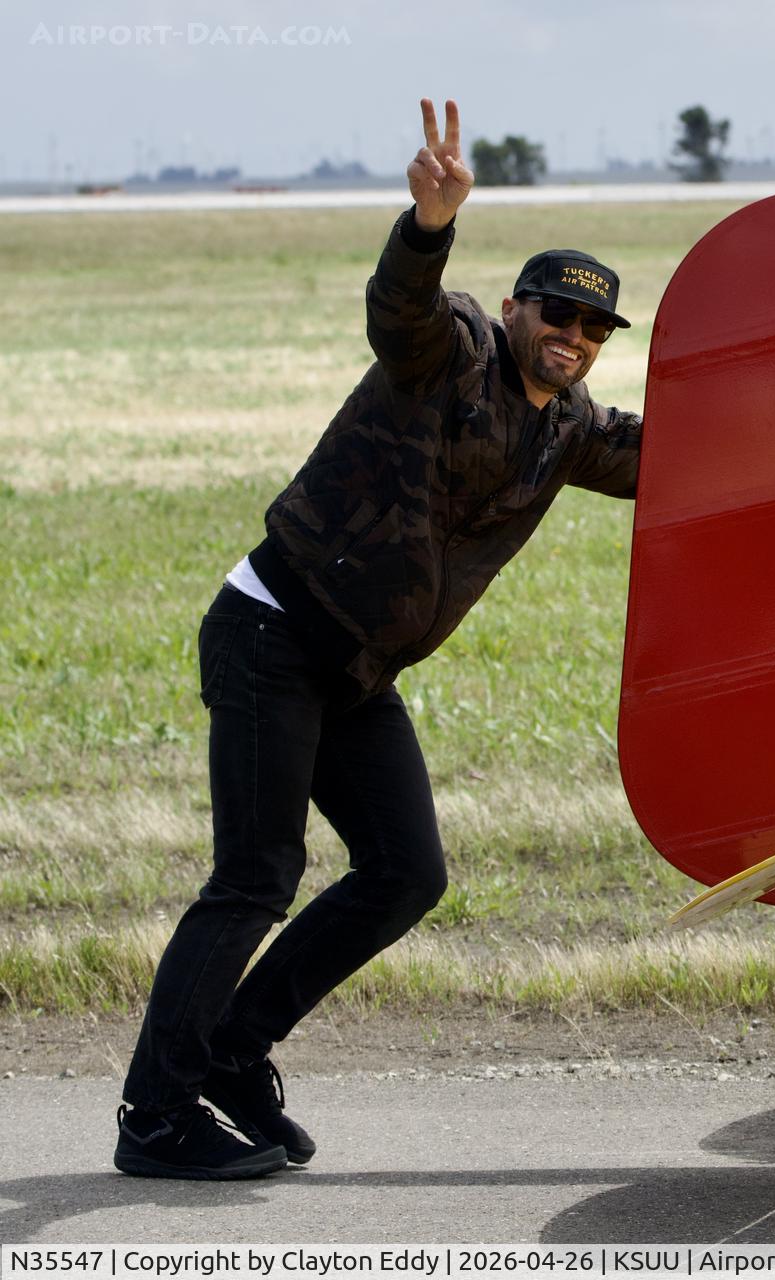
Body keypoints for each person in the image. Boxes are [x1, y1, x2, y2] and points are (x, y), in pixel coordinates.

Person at [114, 99, 643, 1179]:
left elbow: (675, 452)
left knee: (406, 871)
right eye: (556, 315)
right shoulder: (447, 348)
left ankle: (232, 1049)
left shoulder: (570, 424)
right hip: (273, 629)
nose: (573, 339)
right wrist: (427, 222)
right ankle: (154, 1114)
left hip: (357, 669)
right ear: (515, 307)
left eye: (592, 330)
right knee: (255, 877)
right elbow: (398, 306)